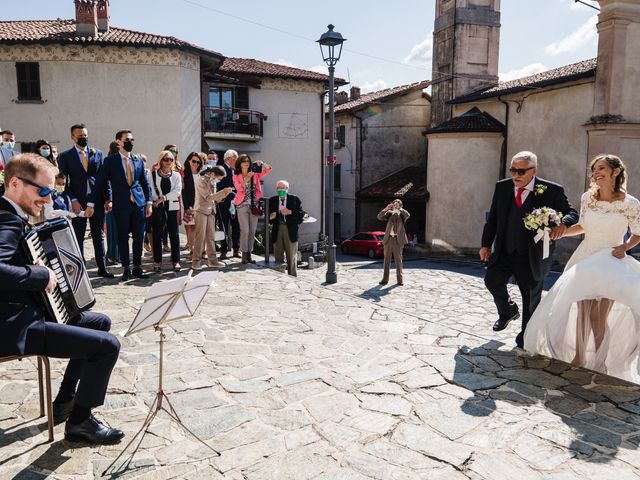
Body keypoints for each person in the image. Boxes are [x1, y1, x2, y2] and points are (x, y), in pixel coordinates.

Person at [0, 153, 124, 444]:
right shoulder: (7, 220)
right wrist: (39, 276)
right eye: (42, 191)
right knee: (108, 347)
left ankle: (66, 401)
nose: (47, 198)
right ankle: (80, 422)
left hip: (23, 314)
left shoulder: (9, 214)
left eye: (52, 192)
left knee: (98, 323)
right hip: (13, 326)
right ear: (15, 183)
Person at [525, 155, 640, 381]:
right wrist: (558, 230)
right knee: (582, 313)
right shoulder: (588, 198)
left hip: (610, 261)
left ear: (616, 172)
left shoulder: (631, 203)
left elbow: (638, 232)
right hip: (585, 257)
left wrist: (625, 247)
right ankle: (578, 357)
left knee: (599, 315)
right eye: (594, 169)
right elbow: (582, 226)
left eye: (602, 168)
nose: (596, 172)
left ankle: (601, 360)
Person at [480, 151, 579, 349]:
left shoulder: (551, 190)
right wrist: (485, 244)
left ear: (533, 171)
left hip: (532, 255)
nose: (516, 175)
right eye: (513, 170)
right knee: (491, 280)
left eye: (521, 171)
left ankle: (526, 337)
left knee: (530, 297)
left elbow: (571, 213)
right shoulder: (502, 187)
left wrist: (563, 224)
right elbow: (494, 218)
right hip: (504, 250)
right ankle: (507, 310)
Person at [89, 130, 152, 281]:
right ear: (118, 142)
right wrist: (92, 202)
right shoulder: (110, 161)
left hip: (138, 203)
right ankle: (127, 268)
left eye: (132, 139)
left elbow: (144, 182)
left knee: (138, 236)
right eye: (127, 140)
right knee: (123, 237)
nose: (130, 142)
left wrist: (148, 202)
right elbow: (100, 182)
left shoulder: (137, 159)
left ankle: (137, 266)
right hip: (121, 204)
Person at [58, 124, 113, 278]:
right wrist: (73, 200)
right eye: (80, 136)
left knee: (98, 235)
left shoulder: (98, 153)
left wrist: (108, 199)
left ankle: (102, 267)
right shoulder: (65, 156)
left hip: (96, 199)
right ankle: (81, 269)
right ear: (73, 137)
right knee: (79, 235)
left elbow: (104, 179)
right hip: (78, 201)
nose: (84, 138)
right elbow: (63, 183)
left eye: (85, 135)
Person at [232, 154, 271, 264]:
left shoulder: (255, 173)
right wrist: (247, 178)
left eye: (248, 161)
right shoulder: (236, 175)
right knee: (245, 230)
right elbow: (238, 188)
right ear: (240, 163)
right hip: (241, 205)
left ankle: (249, 254)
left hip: (254, 205)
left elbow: (268, 169)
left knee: (252, 231)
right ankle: (244, 254)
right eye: (244, 161)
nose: (246, 163)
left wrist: (262, 163)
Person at [148, 150, 182, 272]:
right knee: (157, 234)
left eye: (171, 159)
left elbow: (177, 191)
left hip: (172, 206)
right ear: (161, 161)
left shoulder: (176, 175)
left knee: (174, 234)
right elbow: (149, 190)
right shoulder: (152, 174)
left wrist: (163, 198)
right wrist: (154, 202)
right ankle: (157, 261)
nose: (168, 162)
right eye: (166, 159)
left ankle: (176, 261)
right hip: (157, 207)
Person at [192, 165, 232, 270]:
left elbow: (215, 198)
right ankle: (195, 261)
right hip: (201, 210)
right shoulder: (201, 181)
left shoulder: (212, 180)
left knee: (211, 237)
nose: (219, 180)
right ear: (213, 174)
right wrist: (223, 192)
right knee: (200, 237)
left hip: (211, 211)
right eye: (219, 178)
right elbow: (208, 197)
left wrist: (224, 195)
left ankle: (213, 261)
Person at [268, 180, 305, 276]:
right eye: (279, 188)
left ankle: (292, 276)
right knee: (278, 256)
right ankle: (279, 277)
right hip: (278, 229)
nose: (281, 190)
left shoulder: (294, 199)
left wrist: (290, 212)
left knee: (291, 257)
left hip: (290, 230)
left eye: (283, 188)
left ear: (287, 189)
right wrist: (270, 217)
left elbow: (302, 215)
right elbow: (268, 218)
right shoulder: (272, 200)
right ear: (276, 189)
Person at [377, 199, 410, 286]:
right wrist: (387, 208)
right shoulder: (389, 213)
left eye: (397, 204)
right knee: (386, 260)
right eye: (394, 203)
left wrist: (400, 209)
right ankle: (385, 279)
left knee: (398, 261)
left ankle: (400, 280)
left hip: (398, 240)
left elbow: (408, 215)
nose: (395, 205)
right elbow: (379, 217)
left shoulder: (403, 215)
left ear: (400, 205)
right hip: (388, 240)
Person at [217, 149, 239, 260]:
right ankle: (223, 250)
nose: (237, 160)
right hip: (223, 202)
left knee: (236, 227)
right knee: (223, 227)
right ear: (230, 158)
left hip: (236, 203)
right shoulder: (221, 169)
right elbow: (220, 186)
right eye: (236, 158)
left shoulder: (237, 170)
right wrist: (231, 193)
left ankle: (236, 249)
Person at [182, 152, 203, 258]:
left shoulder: (202, 173)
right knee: (191, 227)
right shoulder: (184, 174)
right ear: (189, 161)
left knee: (199, 228)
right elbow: (183, 192)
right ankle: (192, 250)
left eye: (198, 162)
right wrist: (186, 207)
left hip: (201, 204)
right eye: (193, 161)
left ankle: (199, 250)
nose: (196, 163)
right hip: (190, 204)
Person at [105, 141, 120, 266]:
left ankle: (115, 255)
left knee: (115, 230)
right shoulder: (109, 161)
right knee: (113, 229)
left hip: (117, 200)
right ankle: (112, 256)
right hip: (112, 200)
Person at [0, 130, 18, 197]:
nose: (9, 143)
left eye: (11, 141)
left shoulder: (18, 156)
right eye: (6, 140)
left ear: (15, 142)